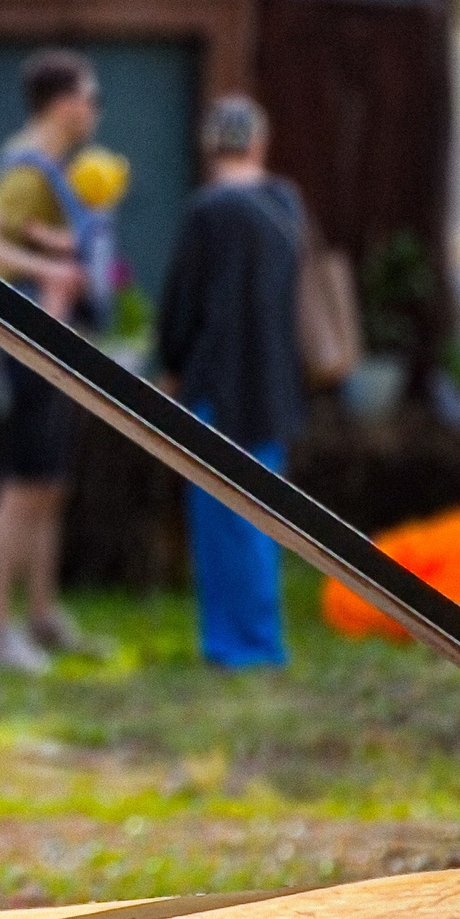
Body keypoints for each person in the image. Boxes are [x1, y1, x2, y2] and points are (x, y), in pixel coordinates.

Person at [0, 48, 111, 672]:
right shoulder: (28, 168)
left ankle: (41, 618)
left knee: (48, 485)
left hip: (51, 346)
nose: (96, 111)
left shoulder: (50, 171)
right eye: (92, 98)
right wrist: (49, 270)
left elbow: (10, 236)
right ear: (65, 104)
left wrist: (51, 249)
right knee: (22, 487)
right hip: (27, 347)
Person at [154, 95, 306, 670]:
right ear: (260, 143)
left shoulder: (207, 211)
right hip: (274, 382)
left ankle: (231, 643)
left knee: (219, 518)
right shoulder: (286, 204)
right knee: (264, 514)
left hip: (216, 382)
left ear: (210, 146)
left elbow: (181, 304)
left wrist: (169, 366)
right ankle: (263, 637)